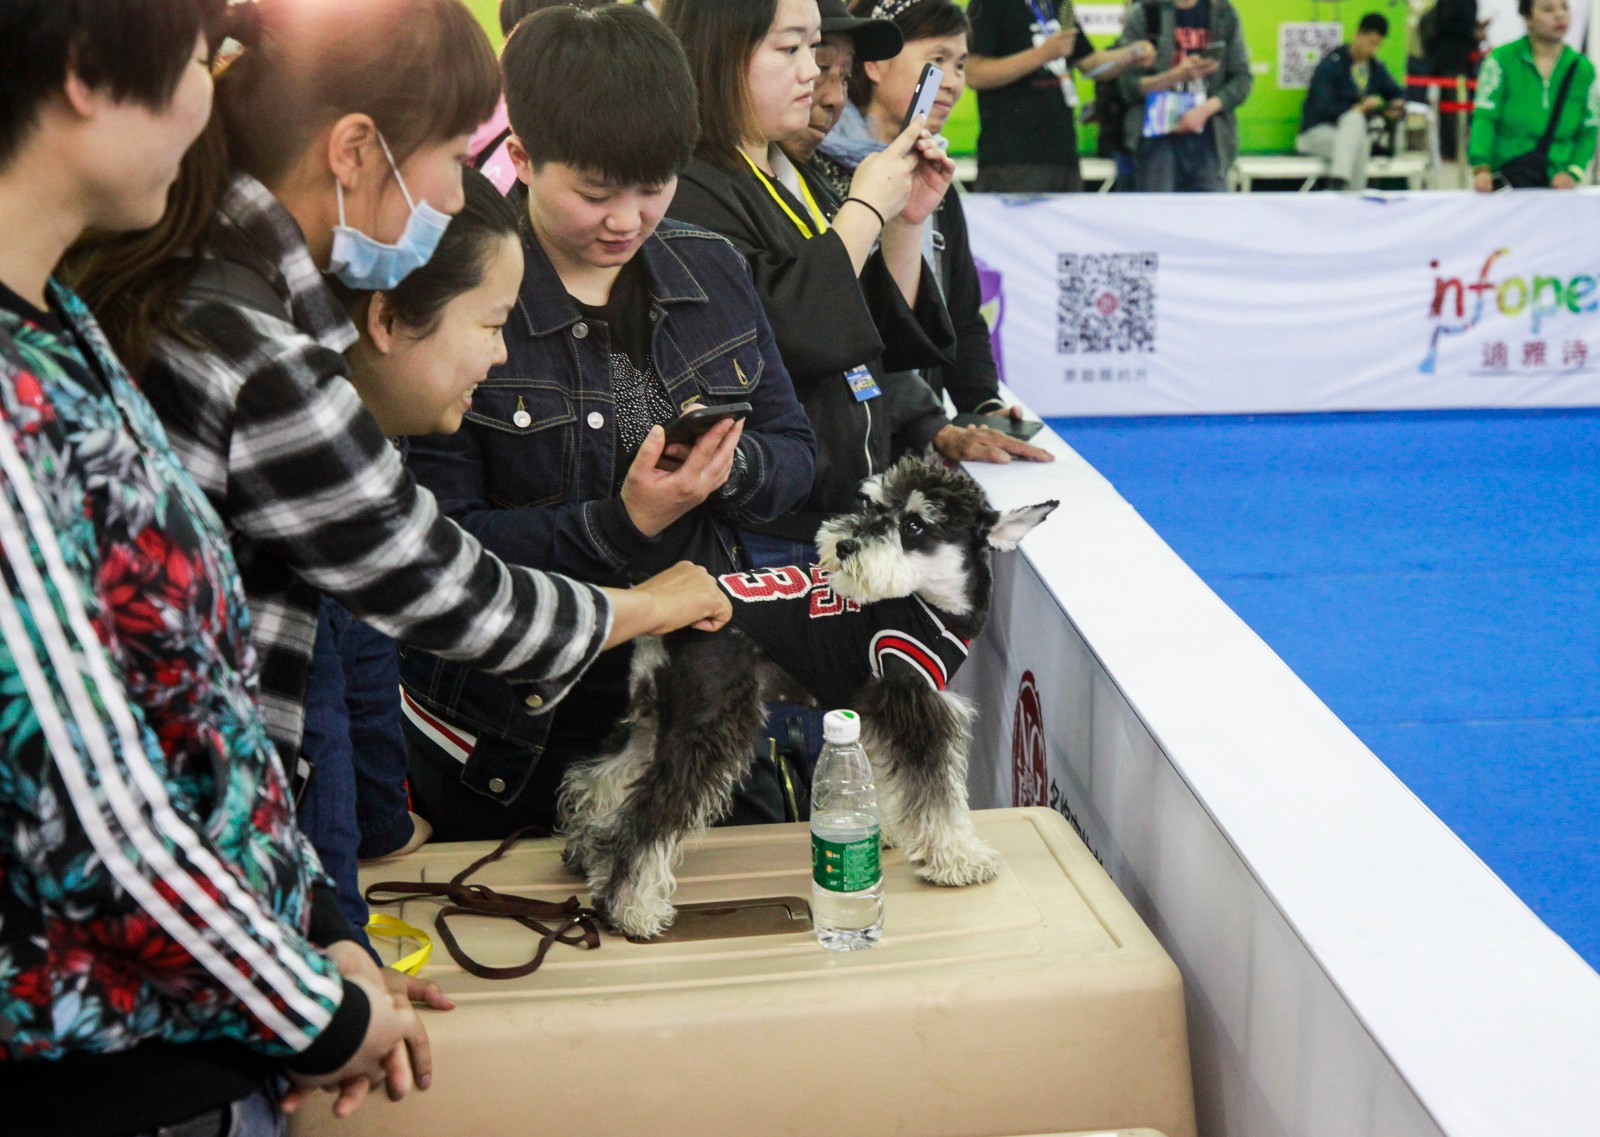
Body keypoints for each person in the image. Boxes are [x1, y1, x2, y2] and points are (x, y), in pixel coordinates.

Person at [67, 0, 731, 818]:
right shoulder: (255, 354)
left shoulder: (204, 278)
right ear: (354, 151)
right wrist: (649, 605)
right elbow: (444, 586)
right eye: (452, 156)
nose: (457, 194)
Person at [0, 3, 435, 1133]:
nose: (210, 104)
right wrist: (318, 1014)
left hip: (203, 1024)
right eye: (200, 62)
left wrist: (314, 929)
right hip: (105, 1075)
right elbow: (91, 794)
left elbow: (200, 708)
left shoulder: (63, 326)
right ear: (91, 70)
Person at [399, 4, 818, 838]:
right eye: (594, 193)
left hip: (699, 704)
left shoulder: (710, 265)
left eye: (653, 188)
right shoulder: (461, 293)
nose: (626, 219)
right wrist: (621, 525)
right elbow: (437, 552)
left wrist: (727, 470)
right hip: (514, 731)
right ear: (519, 157)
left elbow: (799, 456)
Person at [664, 0, 1044, 570]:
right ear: (722, 52)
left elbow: (878, 335)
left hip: (836, 507)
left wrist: (906, 222)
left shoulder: (795, 177)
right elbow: (787, 336)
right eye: (792, 49)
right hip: (757, 524)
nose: (814, 77)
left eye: (819, 57)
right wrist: (866, 208)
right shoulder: (688, 187)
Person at [298, 167, 526, 942]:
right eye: (493, 326)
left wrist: (384, 824)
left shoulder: (373, 426)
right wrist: (343, 950)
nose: (500, 357)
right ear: (387, 316)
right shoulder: (299, 458)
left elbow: (368, 646)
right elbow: (315, 714)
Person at [809, 0, 1053, 421]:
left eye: (960, 65)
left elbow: (962, 314)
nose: (952, 83)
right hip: (845, 429)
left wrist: (984, 405)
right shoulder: (813, 170)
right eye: (936, 61)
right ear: (875, 66)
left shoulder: (936, 177)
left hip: (923, 430)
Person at [965, 0, 1155, 192]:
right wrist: (1042, 54)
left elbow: (1089, 63)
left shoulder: (1062, 4)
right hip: (1012, 156)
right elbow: (973, 73)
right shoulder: (989, 4)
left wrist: (1130, 54)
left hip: (1063, 154)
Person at [1117, 0, 1254, 193]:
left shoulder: (1223, 13)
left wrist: (1205, 110)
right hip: (1156, 139)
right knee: (1157, 215)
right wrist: (1176, 75)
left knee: (1211, 217)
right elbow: (1129, 87)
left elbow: (1242, 78)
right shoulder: (1146, 12)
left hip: (1210, 138)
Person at [1470, 0, 1597, 191]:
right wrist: (1481, 167)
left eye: (1564, 7)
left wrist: (1574, 172)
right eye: (1548, 9)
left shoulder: (1583, 69)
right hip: (1508, 179)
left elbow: (1589, 129)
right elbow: (1485, 118)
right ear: (1527, 18)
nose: (1559, 15)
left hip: (1560, 185)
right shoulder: (1501, 60)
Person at [1297, 13, 1406, 192]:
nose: (1373, 49)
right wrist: (1357, 108)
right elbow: (1323, 107)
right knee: (1355, 122)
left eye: (1377, 44)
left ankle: (1341, 189)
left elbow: (1397, 92)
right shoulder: (1331, 65)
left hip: (1346, 139)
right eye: (1371, 42)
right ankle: (1346, 192)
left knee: (1360, 141)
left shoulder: (1374, 68)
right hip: (1317, 134)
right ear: (1358, 35)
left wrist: (1394, 105)